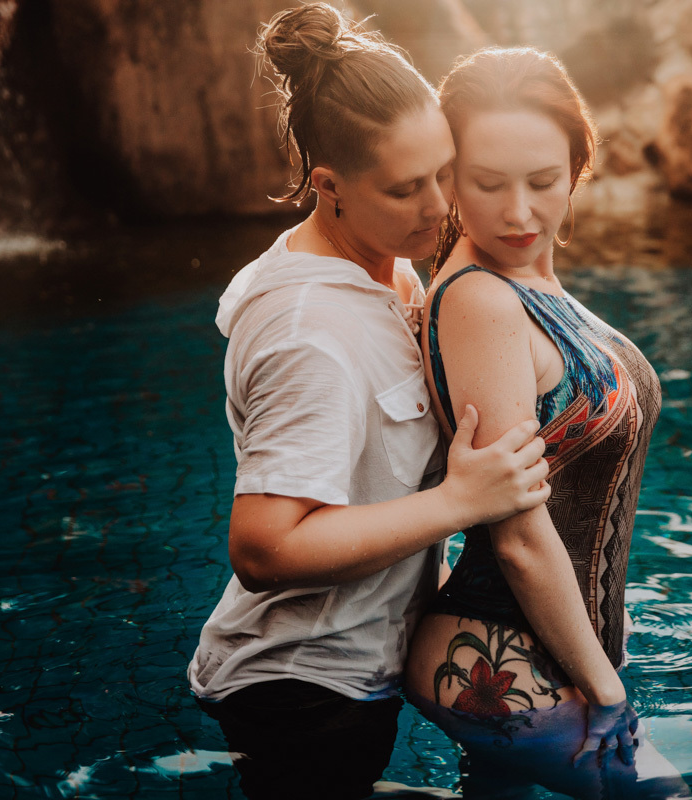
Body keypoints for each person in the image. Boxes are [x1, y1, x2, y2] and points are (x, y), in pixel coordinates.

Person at [186, 8, 551, 799]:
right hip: (300, 691)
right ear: (329, 187)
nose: (438, 204)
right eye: (404, 188)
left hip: (362, 671)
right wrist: (459, 503)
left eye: (443, 171)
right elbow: (262, 550)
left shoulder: (387, 267)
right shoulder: (309, 334)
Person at [405, 48, 689, 798]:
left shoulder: (528, 282)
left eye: (542, 182)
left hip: (557, 652)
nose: (519, 213)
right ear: (449, 177)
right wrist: (607, 690)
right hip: (498, 660)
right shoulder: (480, 299)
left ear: (577, 167)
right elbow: (519, 535)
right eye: (488, 183)